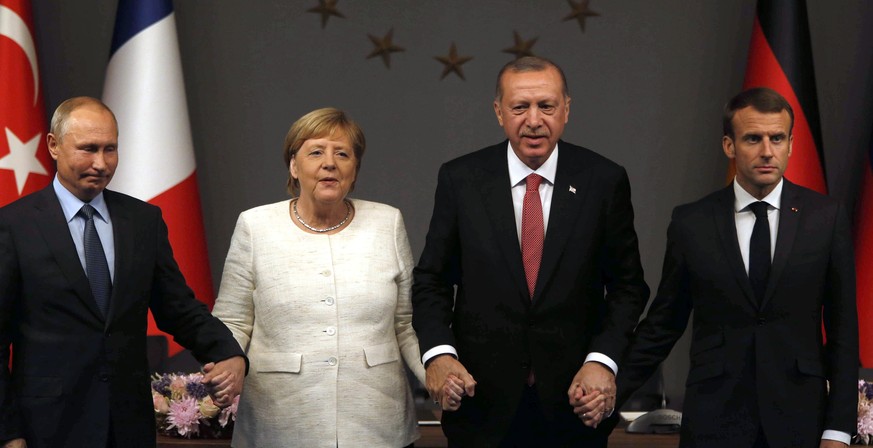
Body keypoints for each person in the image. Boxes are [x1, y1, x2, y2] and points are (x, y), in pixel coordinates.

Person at [411, 56, 650, 447]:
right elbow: (432, 280)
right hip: (482, 405)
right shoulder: (461, 179)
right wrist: (438, 354)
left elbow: (628, 287)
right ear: (499, 112)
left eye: (547, 106)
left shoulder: (603, 180)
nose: (534, 120)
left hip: (574, 406)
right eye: (520, 107)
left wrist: (601, 361)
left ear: (567, 110)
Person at [616, 87, 858, 448]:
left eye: (777, 138)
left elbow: (843, 333)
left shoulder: (825, 218)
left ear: (791, 145)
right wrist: (609, 393)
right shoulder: (691, 222)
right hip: (715, 421)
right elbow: (664, 324)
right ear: (729, 145)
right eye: (752, 138)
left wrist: (838, 430)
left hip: (800, 422)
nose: (766, 151)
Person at [0, 97, 247, 448]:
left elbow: (178, 308)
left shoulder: (143, 221)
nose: (101, 163)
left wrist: (229, 352)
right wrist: (8, 434)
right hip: (46, 429)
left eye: (110, 149)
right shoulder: (13, 226)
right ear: (53, 146)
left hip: (128, 426)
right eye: (88, 149)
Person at [211, 107, 426, 448]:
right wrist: (228, 362)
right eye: (315, 152)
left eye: (342, 153)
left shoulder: (388, 222)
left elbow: (405, 323)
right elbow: (233, 321)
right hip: (279, 423)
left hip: (378, 425)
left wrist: (436, 376)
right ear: (294, 166)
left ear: (354, 170)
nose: (330, 163)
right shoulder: (255, 226)